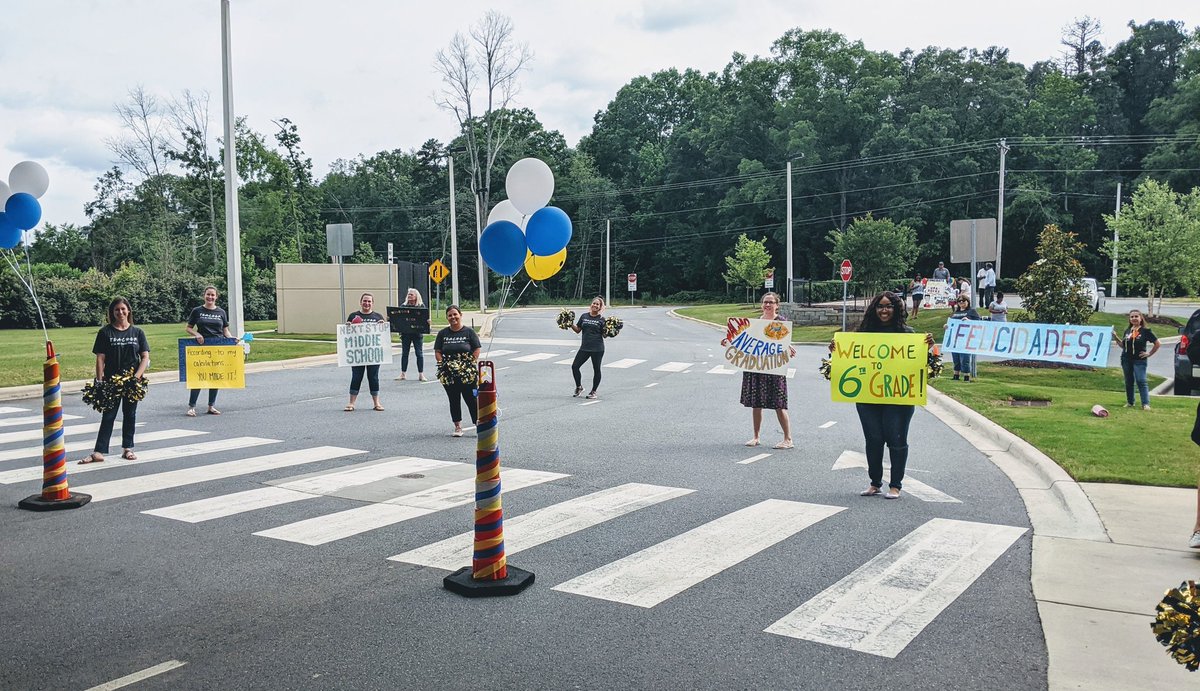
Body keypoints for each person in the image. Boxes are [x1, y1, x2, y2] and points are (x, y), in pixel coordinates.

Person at [841, 291, 935, 499]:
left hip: (898, 396)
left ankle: (896, 485)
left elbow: (923, 364)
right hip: (868, 396)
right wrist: (836, 352)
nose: (884, 310)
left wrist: (929, 348)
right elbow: (850, 361)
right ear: (874, 309)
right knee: (873, 439)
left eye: (889, 306)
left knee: (896, 439)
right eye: (880, 306)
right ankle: (875, 483)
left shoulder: (909, 335)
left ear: (897, 309)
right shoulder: (863, 334)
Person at [79, 297, 150, 464]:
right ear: (112, 312)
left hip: (132, 381)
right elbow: (100, 359)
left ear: (129, 311)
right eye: (117, 309)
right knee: (109, 415)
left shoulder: (137, 332)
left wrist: (136, 378)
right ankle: (99, 451)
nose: (120, 312)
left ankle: (128, 448)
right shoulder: (105, 332)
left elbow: (145, 356)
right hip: (111, 381)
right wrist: (99, 381)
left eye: (123, 309)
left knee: (130, 414)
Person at [741, 292, 794, 450]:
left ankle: (788, 439)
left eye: (771, 302)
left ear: (777, 305)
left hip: (774, 367)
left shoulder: (781, 322)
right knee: (756, 403)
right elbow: (745, 341)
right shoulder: (755, 323)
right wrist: (730, 343)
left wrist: (788, 347)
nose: (768, 305)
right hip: (757, 367)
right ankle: (756, 436)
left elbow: (782, 342)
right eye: (765, 302)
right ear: (761, 304)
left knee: (779, 403)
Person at [184, 285, 233, 417]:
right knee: (198, 376)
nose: (210, 297)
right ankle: (192, 407)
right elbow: (188, 328)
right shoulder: (197, 311)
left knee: (214, 377)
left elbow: (225, 330)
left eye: (213, 295)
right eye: (208, 294)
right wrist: (196, 334)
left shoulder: (221, 312)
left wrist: (231, 339)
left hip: (217, 348)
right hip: (201, 349)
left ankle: (211, 406)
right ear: (204, 295)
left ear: (216, 297)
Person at [434, 304, 481, 437]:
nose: (453, 317)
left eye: (455, 314)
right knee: (453, 399)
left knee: (471, 399)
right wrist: (442, 364)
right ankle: (458, 426)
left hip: (467, 373)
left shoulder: (469, 332)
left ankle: (478, 424)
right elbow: (438, 351)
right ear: (447, 318)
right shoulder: (442, 333)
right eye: (450, 315)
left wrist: (470, 363)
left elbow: (477, 348)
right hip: (449, 372)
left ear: (460, 315)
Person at [344, 292, 386, 412]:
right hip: (358, 353)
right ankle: (351, 403)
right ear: (360, 302)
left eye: (369, 301)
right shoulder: (353, 316)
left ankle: (376, 402)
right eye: (365, 301)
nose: (366, 303)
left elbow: (382, 336)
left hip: (373, 354)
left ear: (372, 303)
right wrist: (348, 326)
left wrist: (382, 326)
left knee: (373, 377)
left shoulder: (378, 317)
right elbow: (348, 336)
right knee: (356, 376)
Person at [1113, 309, 1159, 410]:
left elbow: (1157, 343)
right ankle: (1130, 402)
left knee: (1141, 380)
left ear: (1140, 318)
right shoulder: (1127, 331)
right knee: (1129, 381)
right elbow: (1123, 346)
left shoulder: (1146, 331)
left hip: (1139, 360)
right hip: (1126, 359)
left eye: (1136, 316)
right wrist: (1115, 337)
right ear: (1129, 319)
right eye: (1132, 317)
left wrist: (1149, 353)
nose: (1134, 318)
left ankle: (1145, 404)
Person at [570, 296, 607, 399]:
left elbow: (604, 335)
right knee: (575, 366)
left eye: (597, 304)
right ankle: (579, 387)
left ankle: (593, 391)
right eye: (594, 303)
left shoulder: (602, 319)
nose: (595, 305)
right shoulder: (584, 316)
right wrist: (569, 323)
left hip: (597, 348)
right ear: (591, 304)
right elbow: (578, 330)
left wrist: (611, 331)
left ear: (600, 307)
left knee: (596, 369)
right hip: (585, 348)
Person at [395, 288, 430, 382]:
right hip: (406, 333)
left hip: (417, 334)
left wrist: (427, 322)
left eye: (411, 295)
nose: (409, 296)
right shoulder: (403, 306)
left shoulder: (421, 306)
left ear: (416, 296)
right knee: (404, 353)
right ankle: (403, 373)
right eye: (408, 294)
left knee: (419, 354)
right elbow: (398, 318)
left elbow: (424, 319)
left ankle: (421, 374)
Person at [949, 295, 981, 381]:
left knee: (965, 358)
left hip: (967, 338)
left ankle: (966, 376)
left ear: (968, 302)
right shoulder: (955, 313)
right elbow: (951, 323)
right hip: (955, 338)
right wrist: (947, 326)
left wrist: (969, 321)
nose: (961, 302)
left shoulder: (972, 311)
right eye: (959, 301)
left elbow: (979, 323)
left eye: (963, 301)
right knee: (956, 357)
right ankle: (956, 375)